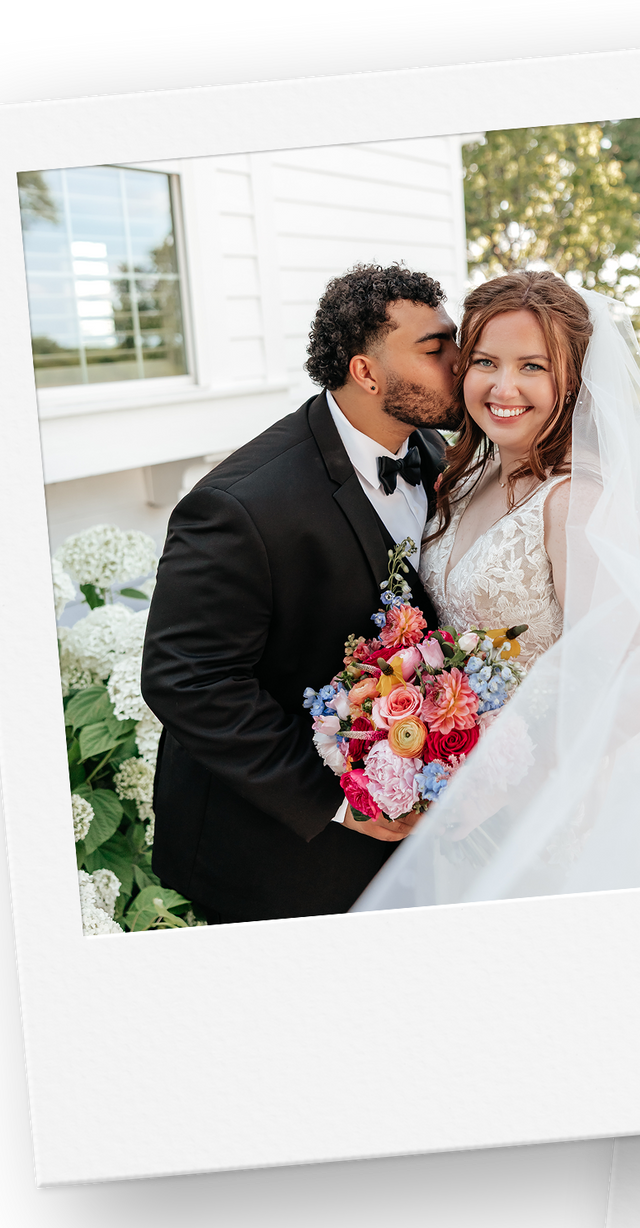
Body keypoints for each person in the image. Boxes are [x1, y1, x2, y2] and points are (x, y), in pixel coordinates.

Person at [352, 273, 640, 910]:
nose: (503, 386)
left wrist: (511, 779)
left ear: (570, 382)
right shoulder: (465, 475)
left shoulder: (578, 500)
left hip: (554, 805)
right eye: (485, 361)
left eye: (531, 367)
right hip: (463, 786)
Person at [141, 263, 460, 923]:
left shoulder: (432, 451)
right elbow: (186, 678)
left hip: (409, 850)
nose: (460, 362)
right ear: (366, 372)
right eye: (435, 349)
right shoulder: (239, 505)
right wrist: (342, 796)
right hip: (280, 860)